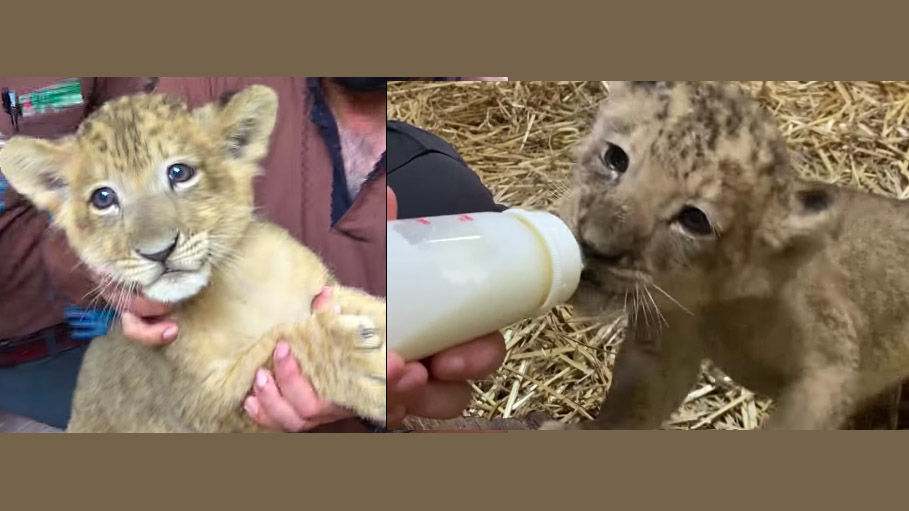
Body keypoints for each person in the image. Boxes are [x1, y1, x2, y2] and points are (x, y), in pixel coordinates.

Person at [0, 77, 506, 432]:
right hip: (35, 339)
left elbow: (161, 116)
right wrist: (104, 272)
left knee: (438, 207)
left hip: (140, 263)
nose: (157, 242)